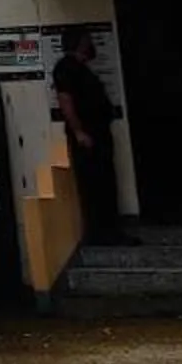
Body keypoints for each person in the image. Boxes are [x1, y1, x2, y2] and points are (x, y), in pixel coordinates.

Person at [53, 25, 132, 242]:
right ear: (80, 43)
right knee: (95, 184)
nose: (92, 45)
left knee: (104, 181)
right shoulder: (66, 68)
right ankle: (101, 231)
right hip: (88, 138)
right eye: (88, 41)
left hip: (97, 134)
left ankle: (109, 229)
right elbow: (66, 101)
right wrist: (79, 132)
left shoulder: (82, 68)